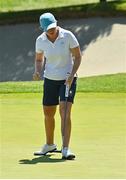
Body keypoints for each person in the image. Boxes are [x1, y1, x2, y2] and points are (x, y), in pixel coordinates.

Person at [33, 12, 81, 160]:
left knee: (64, 111)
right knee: (48, 114)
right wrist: (37, 71)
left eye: (53, 27)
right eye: (48, 28)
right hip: (50, 80)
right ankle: (49, 144)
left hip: (67, 79)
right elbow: (39, 59)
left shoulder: (67, 36)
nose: (52, 30)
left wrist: (72, 74)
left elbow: (78, 56)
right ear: (42, 28)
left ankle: (66, 148)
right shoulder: (40, 40)